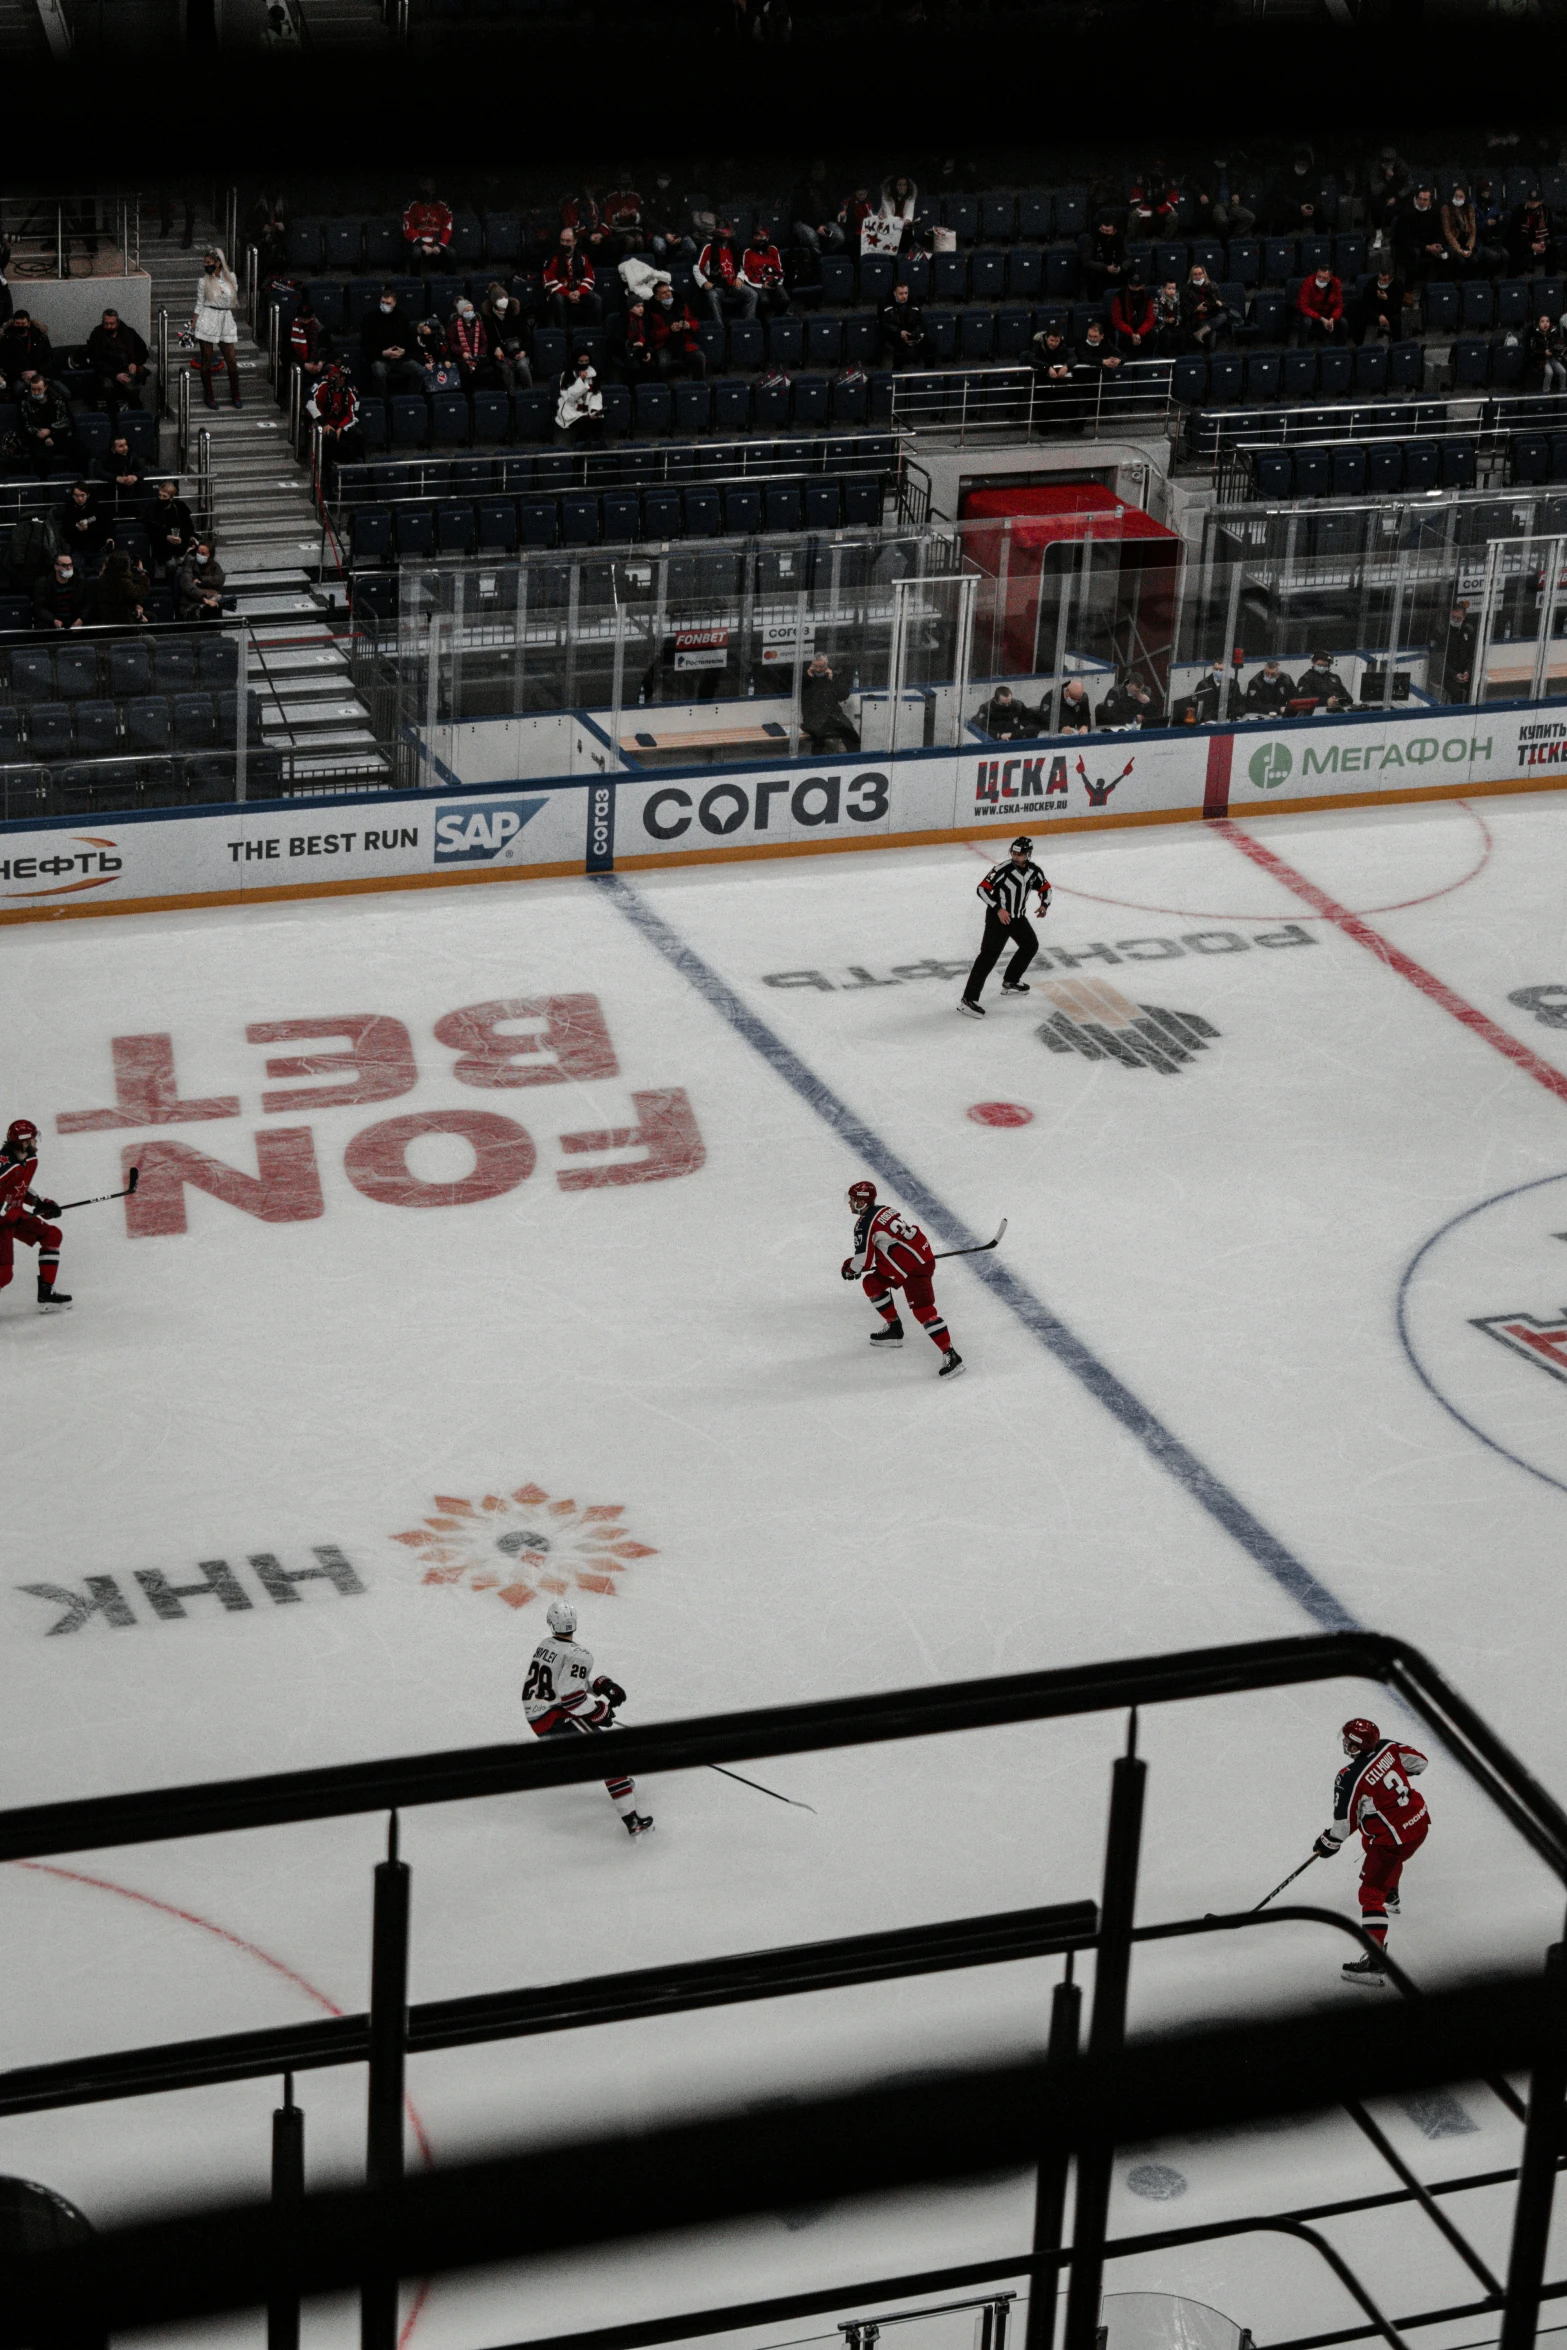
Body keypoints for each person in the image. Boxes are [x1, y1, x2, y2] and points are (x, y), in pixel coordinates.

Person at [522, 1597, 652, 1838]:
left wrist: (600, 1685)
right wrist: (598, 1711)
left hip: (541, 1714)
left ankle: (619, 1783)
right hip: (554, 1718)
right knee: (610, 1758)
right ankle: (632, 1820)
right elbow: (572, 1698)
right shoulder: (579, 1655)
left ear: (551, 1623)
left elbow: (563, 1685)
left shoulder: (546, 1645)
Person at [1313, 1716, 1429, 1984]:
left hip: (1394, 1841)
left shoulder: (1350, 1777)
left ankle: (1376, 1961)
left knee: (1369, 1894)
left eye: (1348, 1741)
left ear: (1355, 1747)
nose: (1344, 1743)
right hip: (1419, 1823)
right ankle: (1392, 1893)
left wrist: (1328, 1842)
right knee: (1370, 1839)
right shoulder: (1388, 1747)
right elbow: (1420, 1763)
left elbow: (1343, 1825)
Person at [841, 1179, 962, 1379]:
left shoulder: (864, 1225)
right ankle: (894, 1329)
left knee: (924, 1312)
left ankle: (951, 1355)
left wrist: (849, 1269)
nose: (849, 1203)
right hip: (912, 1260)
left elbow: (863, 1261)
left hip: (914, 1269)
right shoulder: (884, 1210)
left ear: (862, 1202)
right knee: (872, 1283)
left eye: (853, 1199)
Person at [959, 835, 1052, 1022]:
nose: (1016, 857)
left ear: (1029, 854)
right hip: (998, 919)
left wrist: (1044, 905)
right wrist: (998, 908)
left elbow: (1045, 888)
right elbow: (982, 889)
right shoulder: (1002, 869)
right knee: (987, 957)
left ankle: (1011, 981)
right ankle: (968, 999)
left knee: (1030, 945)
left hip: (1017, 918)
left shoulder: (1034, 871)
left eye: (1020, 854)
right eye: (1014, 853)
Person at [0, 1118, 69, 1314]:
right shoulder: (4, 1166)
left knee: (52, 1235)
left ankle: (46, 1295)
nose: (35, 1143)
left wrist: (40, 1202)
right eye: (32, 1140)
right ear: (23, 1142)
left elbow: (19, 1188)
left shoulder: (28, 1160)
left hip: (13, 1216)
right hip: (2, 1223)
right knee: (4, 1274)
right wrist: (6, 1212)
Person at [192, 245, 241, 410]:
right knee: (206, 358)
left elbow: (234, 297)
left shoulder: (231, 277)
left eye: (209, 262)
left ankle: (236, 395)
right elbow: (199, 304)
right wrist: (193, 323)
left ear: (218, 263)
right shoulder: (203, 281)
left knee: (231, 360)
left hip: (225, 318)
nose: (206, 265)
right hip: (208, 317)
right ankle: (209, 396)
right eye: (205, 262)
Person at [84, 307, 150, 415]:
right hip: (107, 371)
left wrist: (135, 363)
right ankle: (113, 416)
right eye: (106, 324)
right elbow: (96, 360)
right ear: (103, 323)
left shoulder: (129, 332)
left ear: (117, 322)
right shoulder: (97, 335)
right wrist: (115, 374)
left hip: (127, 368)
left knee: (130, 387)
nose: (109, 326)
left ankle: (137, 415)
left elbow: (143, 351)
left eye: (112, 324)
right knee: (107, 386)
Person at [361, 289, 421, 397]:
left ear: (394, 303)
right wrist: (383, 353)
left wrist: (403, 351)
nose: (384, 305)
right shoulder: (370, 318)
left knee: (420, 371)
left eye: (388, 303)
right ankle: (383, 400)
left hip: (399, 358)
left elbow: (409, 341)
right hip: (380, 358)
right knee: (378, 372)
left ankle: (412, 398)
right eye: (382, 302)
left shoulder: (402, 317)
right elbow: (366, 345)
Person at [18, 368, 74, 474]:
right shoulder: (25, 402)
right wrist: (44, 436)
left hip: (58, 435)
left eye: (39, 389)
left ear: (45, 387)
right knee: (40, 456)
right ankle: (45, 488)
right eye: (33, 389)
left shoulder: (56, 399)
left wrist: (51, 432)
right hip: (38, 439)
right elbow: (26, 424)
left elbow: (65, 420)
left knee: (80, 449)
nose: (36, 392)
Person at [543, 228, 602, 330]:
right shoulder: (553, 257)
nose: (564, 244)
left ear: (575, 242)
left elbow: (590, 277)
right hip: (561, 293)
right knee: (557, 298)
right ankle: (563, 334)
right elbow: (548, 280)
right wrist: (567, 293)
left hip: (578, 292)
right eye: (562, 240)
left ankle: (594, 333)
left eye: (568, 241)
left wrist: (579, 292)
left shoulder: (583, 256)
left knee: (596, 299)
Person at [800, 652, 859, 752]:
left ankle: (856, 760)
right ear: (812, 665)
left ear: (826, 665)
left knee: (852, 736)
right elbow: (807, 697)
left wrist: (832, 680)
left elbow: (843, 695)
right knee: (819, 740)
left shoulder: (833, 678)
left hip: (834, 716)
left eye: (821, 666)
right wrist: (809, 677)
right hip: (815, 718)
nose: (818, 669)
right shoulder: (806, 680)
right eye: (816, 666)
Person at [647, 285, 706, 381]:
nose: (668, 294)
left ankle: (699, 386)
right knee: (663, 363)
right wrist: (669, 330)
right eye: (664, 293)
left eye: (668, 291)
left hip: (683, 342)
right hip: (664, 345)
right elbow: (653, 335)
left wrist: (688, 325)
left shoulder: (682, 306)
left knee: (699, 357)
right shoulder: (652, 312)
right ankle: (661, 388)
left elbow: (695, 323)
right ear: (657, 297)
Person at [480, 284, 531, 392]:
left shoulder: (516, 313)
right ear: (494, 301)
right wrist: (496, 348)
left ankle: (528, 392)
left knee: (522, 366)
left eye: (505, 297)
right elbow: (490, 338)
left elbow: (526, 337)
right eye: (500, 298)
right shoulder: (489, 318)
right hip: (503, 354)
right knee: (506, 368)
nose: (504, 300)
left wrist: (524, 351)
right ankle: (511, 395)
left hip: (519, 350)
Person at [143, 474, 195, 578]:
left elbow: (189, 527)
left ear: (171, 498)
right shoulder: (153, 509)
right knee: (171, 564)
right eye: (160, 495)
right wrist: (166, 537)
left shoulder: (180, 507)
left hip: (181, 544)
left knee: (191, 559)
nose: (161, 498)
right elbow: (151, 530)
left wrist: (182, 538)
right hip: (163, 547)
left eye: (164, 496)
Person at [693, 222, 745, 321]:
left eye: (728, 233)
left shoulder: (735, 246)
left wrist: (739, 278)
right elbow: (696, 267)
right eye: (723, 233)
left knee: (752, 295)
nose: (726, 235)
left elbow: (741, 267)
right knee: (712, 296)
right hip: (716, 284)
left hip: (733, 283)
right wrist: (704, 282)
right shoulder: (708, 246)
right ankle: (719, 326)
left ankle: (747, 324)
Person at [1396, 187, 1448, 287]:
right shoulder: (1407, 211)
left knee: (1447, 253)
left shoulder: (1435, 210)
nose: (1421, 202)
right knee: (1414, 253)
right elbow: (1404, 237)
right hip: (1410, 244)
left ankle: (1436, 286)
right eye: (1419, 199)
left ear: (1430, 201)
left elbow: (1439, 231)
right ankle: (1409, 290)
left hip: (1428, 243)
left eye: (1425, 200)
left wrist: (1438, 244)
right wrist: (1426, 247)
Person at [791, 160, 845, 254]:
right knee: (812, 237)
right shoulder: (802, 188)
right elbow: (801, 213)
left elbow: (830, 210)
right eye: (817, 169)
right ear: (812, 171)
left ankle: (827, 257)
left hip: (823, 223)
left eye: (822, 169)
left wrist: (839, 214)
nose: (820, 172)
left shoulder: (826, 186)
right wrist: (817, 226)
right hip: (805, 223)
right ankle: (817, 262)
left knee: (838, 237)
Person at [402, 180, 453, 278]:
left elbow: (447, 228)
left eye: (430, 186)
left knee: (451, 253)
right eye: (424, 185)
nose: (427, 189)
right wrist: (422, 245)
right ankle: (415, 281)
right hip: (419, 242)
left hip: (437, 241)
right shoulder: (412, 206)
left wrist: (439, 246)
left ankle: (451, 282)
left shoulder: (442, 206)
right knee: (415, 253)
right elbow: (408, 229)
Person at [52, 479, 108, 564]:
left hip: (96, 549)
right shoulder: (67, 510)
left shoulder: (97, 508)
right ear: (72, 496)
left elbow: (104, 527)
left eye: (82, 495)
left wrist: (89, 528)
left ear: (88, 495)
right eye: (76, 496)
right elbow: (65, 531)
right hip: (77, 550)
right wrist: (76, 528)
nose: (80, 499)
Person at [90, 548, 150, 626]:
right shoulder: (122, 582)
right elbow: (142, 592)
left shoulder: (104, 579)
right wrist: (142, 573)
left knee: (150, 617)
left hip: (114, 619)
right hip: (120, 624)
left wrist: (135, 606)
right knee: (150, 637)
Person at [1078, 211, 1127, 305]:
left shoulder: (1119, 239)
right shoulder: (1090, 239)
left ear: (1114, 231)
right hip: (1096, 272)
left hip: (1113, 271)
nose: (1104, 233)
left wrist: (1120, 267)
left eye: (1107, 231)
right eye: (1102, 230)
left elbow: (1127, 259)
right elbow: (1087, 262)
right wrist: (1105, 268)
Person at [741, 225, 790, 319]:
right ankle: (762, 322)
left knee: (785, 300)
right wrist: (762, 283)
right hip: (757, 283)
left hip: (773, 281)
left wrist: (773, 281)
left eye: (762, 236)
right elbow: (747, 273)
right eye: (757, 236)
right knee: (764, 301)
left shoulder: (773, 250)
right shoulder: (748, 252)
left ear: (768, 238)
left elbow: (779, 269)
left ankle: (777, 319)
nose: (759, 239)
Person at [555, 352, 604, 443]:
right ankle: (580, 448)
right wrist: (580, 380)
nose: (584, 364)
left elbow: (596, 395)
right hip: (571, 410)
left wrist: (594, 410)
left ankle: (597, 448)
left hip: (587, 410)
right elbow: (570, 398)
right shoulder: (567, 375)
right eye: (581, 361)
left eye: (586, 361)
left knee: (599, 420)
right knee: (585, 423)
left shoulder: (593, 375)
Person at [32, 551, 87, 629]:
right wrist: (53, 620)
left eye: (70, 565)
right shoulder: (44, 582)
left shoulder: (79, 580)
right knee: (42, 626)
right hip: (53, 620)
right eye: (64, 565)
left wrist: (81, 619)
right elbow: (39, 607)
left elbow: (88, 604)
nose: (69, 568)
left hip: (73, 619)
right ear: (56, 566)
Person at [445, 298, 492, 392]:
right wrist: (462, 352)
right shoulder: (454, 326)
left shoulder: (480, 324)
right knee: (464, 370)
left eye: (471, 310)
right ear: (461, 312)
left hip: (478, 356)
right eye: (467, 311)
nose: (470, 312)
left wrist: (479, 355)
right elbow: (451, 344)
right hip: (463, 357)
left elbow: (484, 342)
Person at [1353, 266, 1406, 345]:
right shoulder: (1372, 283)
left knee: (1397, 320)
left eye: (1384, 280)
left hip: (1390, 311)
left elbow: (1397, 307)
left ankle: (1396, 346)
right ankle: (1358, 346)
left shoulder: (1398, 285)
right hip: (1373, 311)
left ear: (1391, 280)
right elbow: (1365, 303)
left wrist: (1386, 300)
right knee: (1360, 316)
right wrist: (1378, 316)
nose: (1381, 282)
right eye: (1380, 279)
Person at [1181, 266, 1230, 352]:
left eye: (1200, 274)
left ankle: (1200, 333)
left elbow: (1224, 304)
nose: (1198, 276)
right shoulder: (1186, 289)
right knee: (1212, 334)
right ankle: (1207, 356)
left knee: (1223, 316)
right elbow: (1184, 310)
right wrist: (1197, 309)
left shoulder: (1212, 286)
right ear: (1191, 276)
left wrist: (1220, 303)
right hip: (1198, 318)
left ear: (1204, 275)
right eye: (1195, 274)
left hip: (1212, 315)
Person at [1295, 266, 1346, 346]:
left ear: (1330, 278)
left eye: (1324, 278)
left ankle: (1340, 349)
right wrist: (1321, 319)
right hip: (1311, 314)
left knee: (1343, 322)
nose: (1320, 280)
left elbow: (1338, 306)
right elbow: (1303, 306)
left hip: (1327, 313)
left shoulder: (1336, 283)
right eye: (1319, 277)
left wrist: (1333, 318)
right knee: (1306, 322)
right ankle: (1301, 349)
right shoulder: (1308, 282)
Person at [1438, 601, 1478, 703]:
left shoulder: (1467, 631)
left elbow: (1471, 656)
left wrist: (1467, 671)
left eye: (1458, 618)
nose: (1455, 620)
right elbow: (1439, 659)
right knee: (1457, 693)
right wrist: (1454, 674)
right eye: (1453, 617)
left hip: (1463, 673)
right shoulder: (1443, 632)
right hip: (1447, 674)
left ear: (1463, 618)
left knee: (1475, 689)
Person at [178, 541, 226, 622]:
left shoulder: (215, 566)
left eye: (203, 554)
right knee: (206, 609)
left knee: (216, 606)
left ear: (210, 555)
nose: (200, 555)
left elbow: (220, 580)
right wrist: (204, 599)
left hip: (211, 600)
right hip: (190, 603)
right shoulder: (190, 565)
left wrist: (201, 580)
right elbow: (188, 585)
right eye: (198, 552)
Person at [1440, 187, 1482, 281]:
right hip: (1453, 241)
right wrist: (1459, 250)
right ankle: (1457, 282)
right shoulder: (1446, 208)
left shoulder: (1469, 208)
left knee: (1473, 259)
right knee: (1460, 260)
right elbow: (1447, 233)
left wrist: (1470, 247)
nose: (1458, 198)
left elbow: (1473, 230)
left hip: (1466, 241)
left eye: (1460, 196)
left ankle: (1469, 284)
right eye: (1456, 196)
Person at [1110, 274, 1156, 358]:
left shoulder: (1148, 296)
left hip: (1141, 327)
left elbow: (1150, 318)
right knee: (1123, 337)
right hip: (1125, 327)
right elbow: (1116, 320)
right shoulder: (1119, 295)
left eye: (1137, 286)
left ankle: (1147, 361)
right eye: (1131, 285)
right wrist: (1131, 333)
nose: (1134, 288)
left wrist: (1139, 333)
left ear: (1142, 286)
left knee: (1152, 334)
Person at [1529, 313, 1567, 394]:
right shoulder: (1535, 336)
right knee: (1549, 372)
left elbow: (1558, 345)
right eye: (1542, 322)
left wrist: (1557, 349)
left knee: (1563, 372)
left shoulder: (1553, 334)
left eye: (1547, 321)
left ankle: (1563, 390)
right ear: (1538, 324)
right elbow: (1533, 350)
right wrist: (1543, 352)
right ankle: (1546, 391)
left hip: (1552, 357)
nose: (1545, 323)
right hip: (1541, 359)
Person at [1188, 658, 1232, 723]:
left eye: (1221, 670)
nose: (1218, 672)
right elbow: (1197, 708)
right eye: (1216, 669)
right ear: (1213, 669)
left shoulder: (1232, 684)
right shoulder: (1203, 685)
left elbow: (1238, 703)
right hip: (1209, 721)